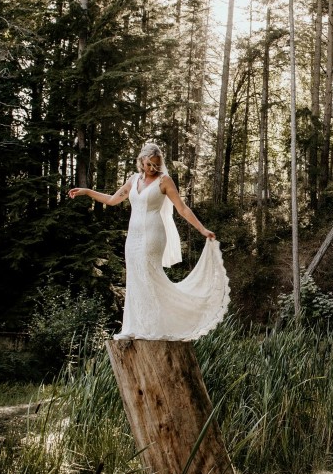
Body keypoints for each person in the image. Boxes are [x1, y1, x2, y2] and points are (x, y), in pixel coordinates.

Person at [68, 142, 229, 341]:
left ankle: (153, 328)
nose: (153, 168)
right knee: (135, 277)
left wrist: (202, 229)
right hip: (133, 237)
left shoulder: (165, 181)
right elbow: (111, 200)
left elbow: (182, 208)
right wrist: (87, 192)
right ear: (141, 161)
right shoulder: (133, 180)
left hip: (153, 235)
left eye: (156, 165)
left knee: (148, 275)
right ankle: (134, 327)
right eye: (149, 164)